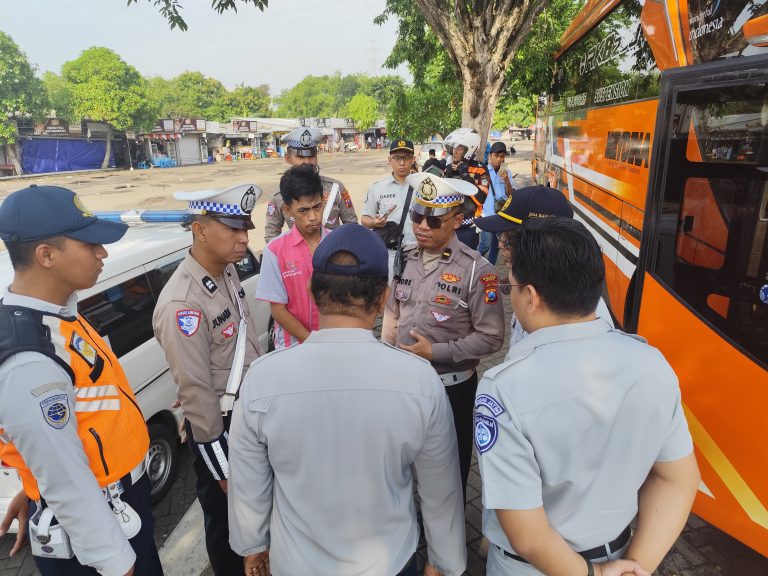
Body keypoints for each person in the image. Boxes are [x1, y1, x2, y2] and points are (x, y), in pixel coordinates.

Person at [228, 223, 467, 576]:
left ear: (311, 289)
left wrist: (253, 545)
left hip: (295, 563)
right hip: (389, 562)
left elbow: (248, 483)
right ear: (384, 297)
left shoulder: (262, 379)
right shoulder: (419, 381)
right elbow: (440, 491)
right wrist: (443, 562)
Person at [475, 217, 700, 576]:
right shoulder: (651, 363)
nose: (511, 295)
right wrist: (635, 567)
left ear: (531, 296)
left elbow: (528, 536)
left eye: (511, 287)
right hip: (624, 552)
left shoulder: (504, 387)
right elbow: (678, 478)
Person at [0, 185, 162, 575]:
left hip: (117, 500)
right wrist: (116, 562)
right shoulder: (28, 359)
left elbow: (53, 447)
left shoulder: (57, 312)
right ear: (46, 255)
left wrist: (34, 484)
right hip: (95, 536)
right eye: (89, 244)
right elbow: (67, 483)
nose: (102, 253)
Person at [152, 183, 263, 576]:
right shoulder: (182, 303)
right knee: (228, 527)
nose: (244, 238)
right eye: (232, 229)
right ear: (199, 229)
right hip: (220, 431)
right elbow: (198, 400)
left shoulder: (226, 270)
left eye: (245, 228)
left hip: (248, 416)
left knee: (256, 522)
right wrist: (225, 473)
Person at [382, 172, 505, 498]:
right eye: (417, 217)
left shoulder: (478, 271)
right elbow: (393, 313)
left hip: (452, 392)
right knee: (402, 467)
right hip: (405, 385)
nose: (422, 226)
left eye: (433, 221)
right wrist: (385, 353)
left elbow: (492, 337)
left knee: (451, 478)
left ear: (457, 220)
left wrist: (434, 352)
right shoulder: (404, 259)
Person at [474, 185, 615, 356]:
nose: (500, 244)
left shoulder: (578, 313)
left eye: (508, 236)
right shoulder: (534, 284)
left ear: (543, 239)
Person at [257, 164, 327, 350]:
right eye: (303, 211)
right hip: (292, 348)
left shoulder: (338, 243)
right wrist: (312, 341)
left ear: (324, 201)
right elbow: (278, 311)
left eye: (317, 207)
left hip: (333, 343)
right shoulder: (274, 251)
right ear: (288, 211)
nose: (313, 217)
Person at [264, 127, 357, 244]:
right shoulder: (279, 196)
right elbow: (271, 236)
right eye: (301, 157)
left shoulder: (336, 189)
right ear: (288, 158)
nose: (307, 162)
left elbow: (352, 227)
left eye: (312, 156)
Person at [361, 139, 419, 278]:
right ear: (389, 160)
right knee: (389, 295)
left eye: (406, 158)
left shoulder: (423, 187)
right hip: (389, 254)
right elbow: (364, 219)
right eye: (397, 158)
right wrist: (374, 222)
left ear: (413, 159)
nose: (401, 163)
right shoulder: (378, 188)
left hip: (417, 252)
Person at [443, 128, 490, 250]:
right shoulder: (448, 168)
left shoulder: (480, 169)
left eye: (459, 148)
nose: (454, 151)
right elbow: (440, 197)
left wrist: (465, 175)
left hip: (468, 228)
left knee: (466, 264)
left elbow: (481, 199)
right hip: (447, 226)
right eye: (453, 147)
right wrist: (447, 176)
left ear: (469, 148)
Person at [477, 142, 516, 264]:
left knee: (496, 246)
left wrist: (507, 181)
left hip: (502, 215)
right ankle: (474, 265)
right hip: (487, 215)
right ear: (490, 155)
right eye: (496, 156)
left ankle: (491, 268)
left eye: (502, 156)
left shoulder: (507, 172)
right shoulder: (483, 171)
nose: (499, 159)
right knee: (485, 244)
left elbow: (510, 194)